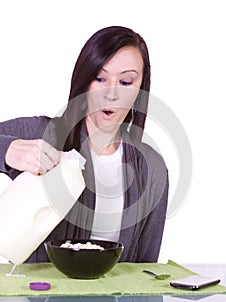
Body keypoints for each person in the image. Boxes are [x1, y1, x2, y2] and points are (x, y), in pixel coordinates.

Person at [0, 26, 169, 263]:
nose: (111, 93)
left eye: (126, 81)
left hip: (115, 300)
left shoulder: (152, 169)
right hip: (37, 298)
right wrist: (6, 150)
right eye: (100, 78)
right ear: (84, 80)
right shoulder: (44, 135)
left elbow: (144, 274)